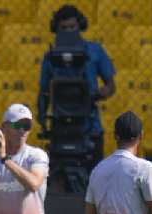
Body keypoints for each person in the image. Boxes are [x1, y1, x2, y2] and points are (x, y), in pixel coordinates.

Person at [37, 4, 116, 158]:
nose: (68, 31)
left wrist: (97, 94)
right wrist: (42, 118)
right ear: (56, 29)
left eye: (72, 27)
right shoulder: (50, 57)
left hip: (90, 124)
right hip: (59, 124)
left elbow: (111, 85)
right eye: (64, 28)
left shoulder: (95, 50)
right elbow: (44, 91)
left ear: (80, 26)